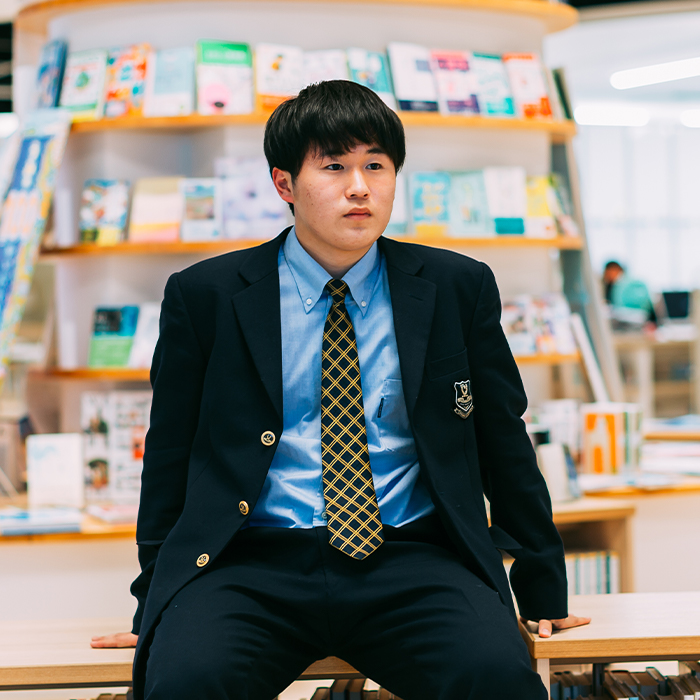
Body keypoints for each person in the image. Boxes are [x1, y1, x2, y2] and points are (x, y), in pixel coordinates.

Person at [91, 80, 589, 700]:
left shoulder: (456, 286)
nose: (359, 187)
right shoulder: (206, 296)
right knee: (187, 684)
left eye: (376, 166)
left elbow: (503, 438)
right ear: (284, 184)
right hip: (250, 565)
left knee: (497, 680)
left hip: (414, 559)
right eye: (334, 167)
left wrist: (543, 586)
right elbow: (169, 452)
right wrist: (154, 599)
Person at [603, 260, 657, 326]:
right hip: (633, 318)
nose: (606, 276)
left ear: (614, 269)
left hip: (636, 319)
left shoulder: (625, 284)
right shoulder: (618, 284)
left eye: (607, 272)